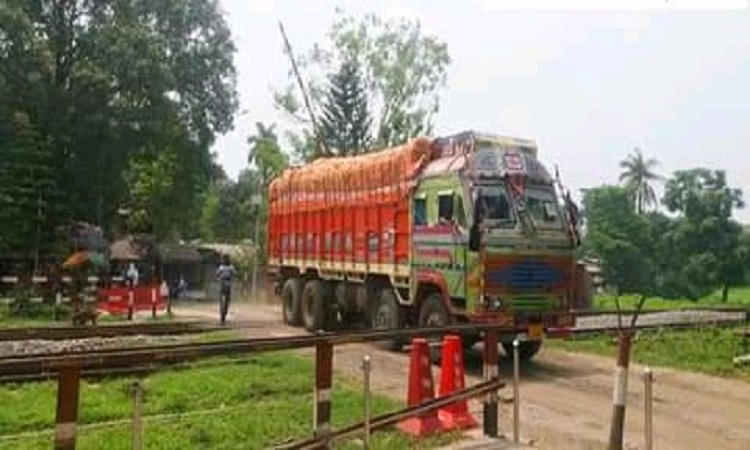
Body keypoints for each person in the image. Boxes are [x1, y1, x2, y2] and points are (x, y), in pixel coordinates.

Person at [214, 254, 235, 324]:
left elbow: (217, 274)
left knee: (223, 300)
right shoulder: (230, 267)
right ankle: (223, 313)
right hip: (226, 283)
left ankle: (223, 313)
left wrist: (218, 278)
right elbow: (233, 274)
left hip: (223, 283)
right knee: (226, 300)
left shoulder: (221, 267)